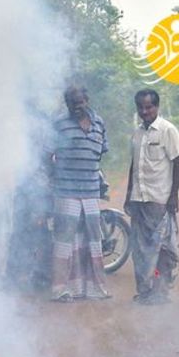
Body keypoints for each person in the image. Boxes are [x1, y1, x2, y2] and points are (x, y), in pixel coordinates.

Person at [44, 85, 111, 302]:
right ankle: (61, 290)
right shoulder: (59, 124)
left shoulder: (99, 123)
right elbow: (46, 155)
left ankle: (92, 289)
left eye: (80, 101)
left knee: (92, 240)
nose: (77, 106)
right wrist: (54, 177)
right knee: (64, 242)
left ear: (87, 100)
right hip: (66, 191)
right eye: (73, 103)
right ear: (67, 104)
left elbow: (100, 154)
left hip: (90, 191)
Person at [123, 89, 179, 305]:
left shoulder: (168, 130)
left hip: (160, 199)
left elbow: (177, 162)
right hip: (139, 199)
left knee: (163, 249)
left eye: (148, 107)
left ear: (156, 107)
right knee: (140, 250)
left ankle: (161, 292)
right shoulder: (137, 133)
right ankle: (145, 292)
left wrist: (174, 195)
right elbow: (134, 166)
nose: (144, 111)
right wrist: (129, 194)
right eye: (140, 107)